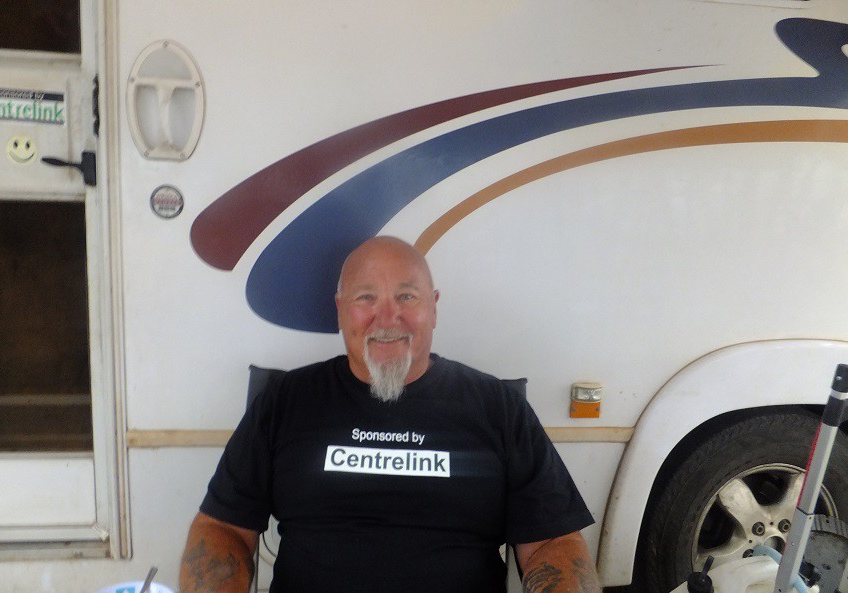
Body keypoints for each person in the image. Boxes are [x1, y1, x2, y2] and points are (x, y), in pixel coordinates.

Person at [180, 236, 601, 593]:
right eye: (366, 298)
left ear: (433, 307)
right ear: (340, 309)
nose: (387, 318)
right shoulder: (285, 401)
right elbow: (223, 529)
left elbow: (553, 542)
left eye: (406, 297)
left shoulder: (498, 407)